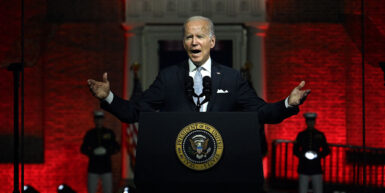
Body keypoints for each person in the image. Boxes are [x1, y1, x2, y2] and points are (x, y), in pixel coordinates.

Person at [87, 16, 310, 124]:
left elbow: (261, 113)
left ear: (211, 42)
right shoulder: (168, 77)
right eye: (189, 37)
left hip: (221, 167)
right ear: (184, 42)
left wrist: (287, 103)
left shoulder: (232, 79)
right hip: (178, 168)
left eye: (200, 36)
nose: (194, 42)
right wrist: (108, 97)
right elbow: (135, 112)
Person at [81, 110, 120, 193]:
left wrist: (107, 151)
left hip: (106, 167)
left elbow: (116, 147)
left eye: (100, 119)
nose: (99, 121)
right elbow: (83, 149)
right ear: (94, 120)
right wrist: (92, 152)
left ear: (103, 120)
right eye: (97, 119)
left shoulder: (109, 133)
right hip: (93, 168)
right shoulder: (90, 134)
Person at [293, 112, 330, 193]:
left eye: (312, 121)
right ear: (306, 122)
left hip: (316, 167)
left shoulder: (320, 135)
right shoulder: (301, 135)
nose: (310, 123)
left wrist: (317, 155)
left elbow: (326, 150)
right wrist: (303, 155)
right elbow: (295, 150)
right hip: (304, 167)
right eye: (309, 121)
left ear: (314, 122)